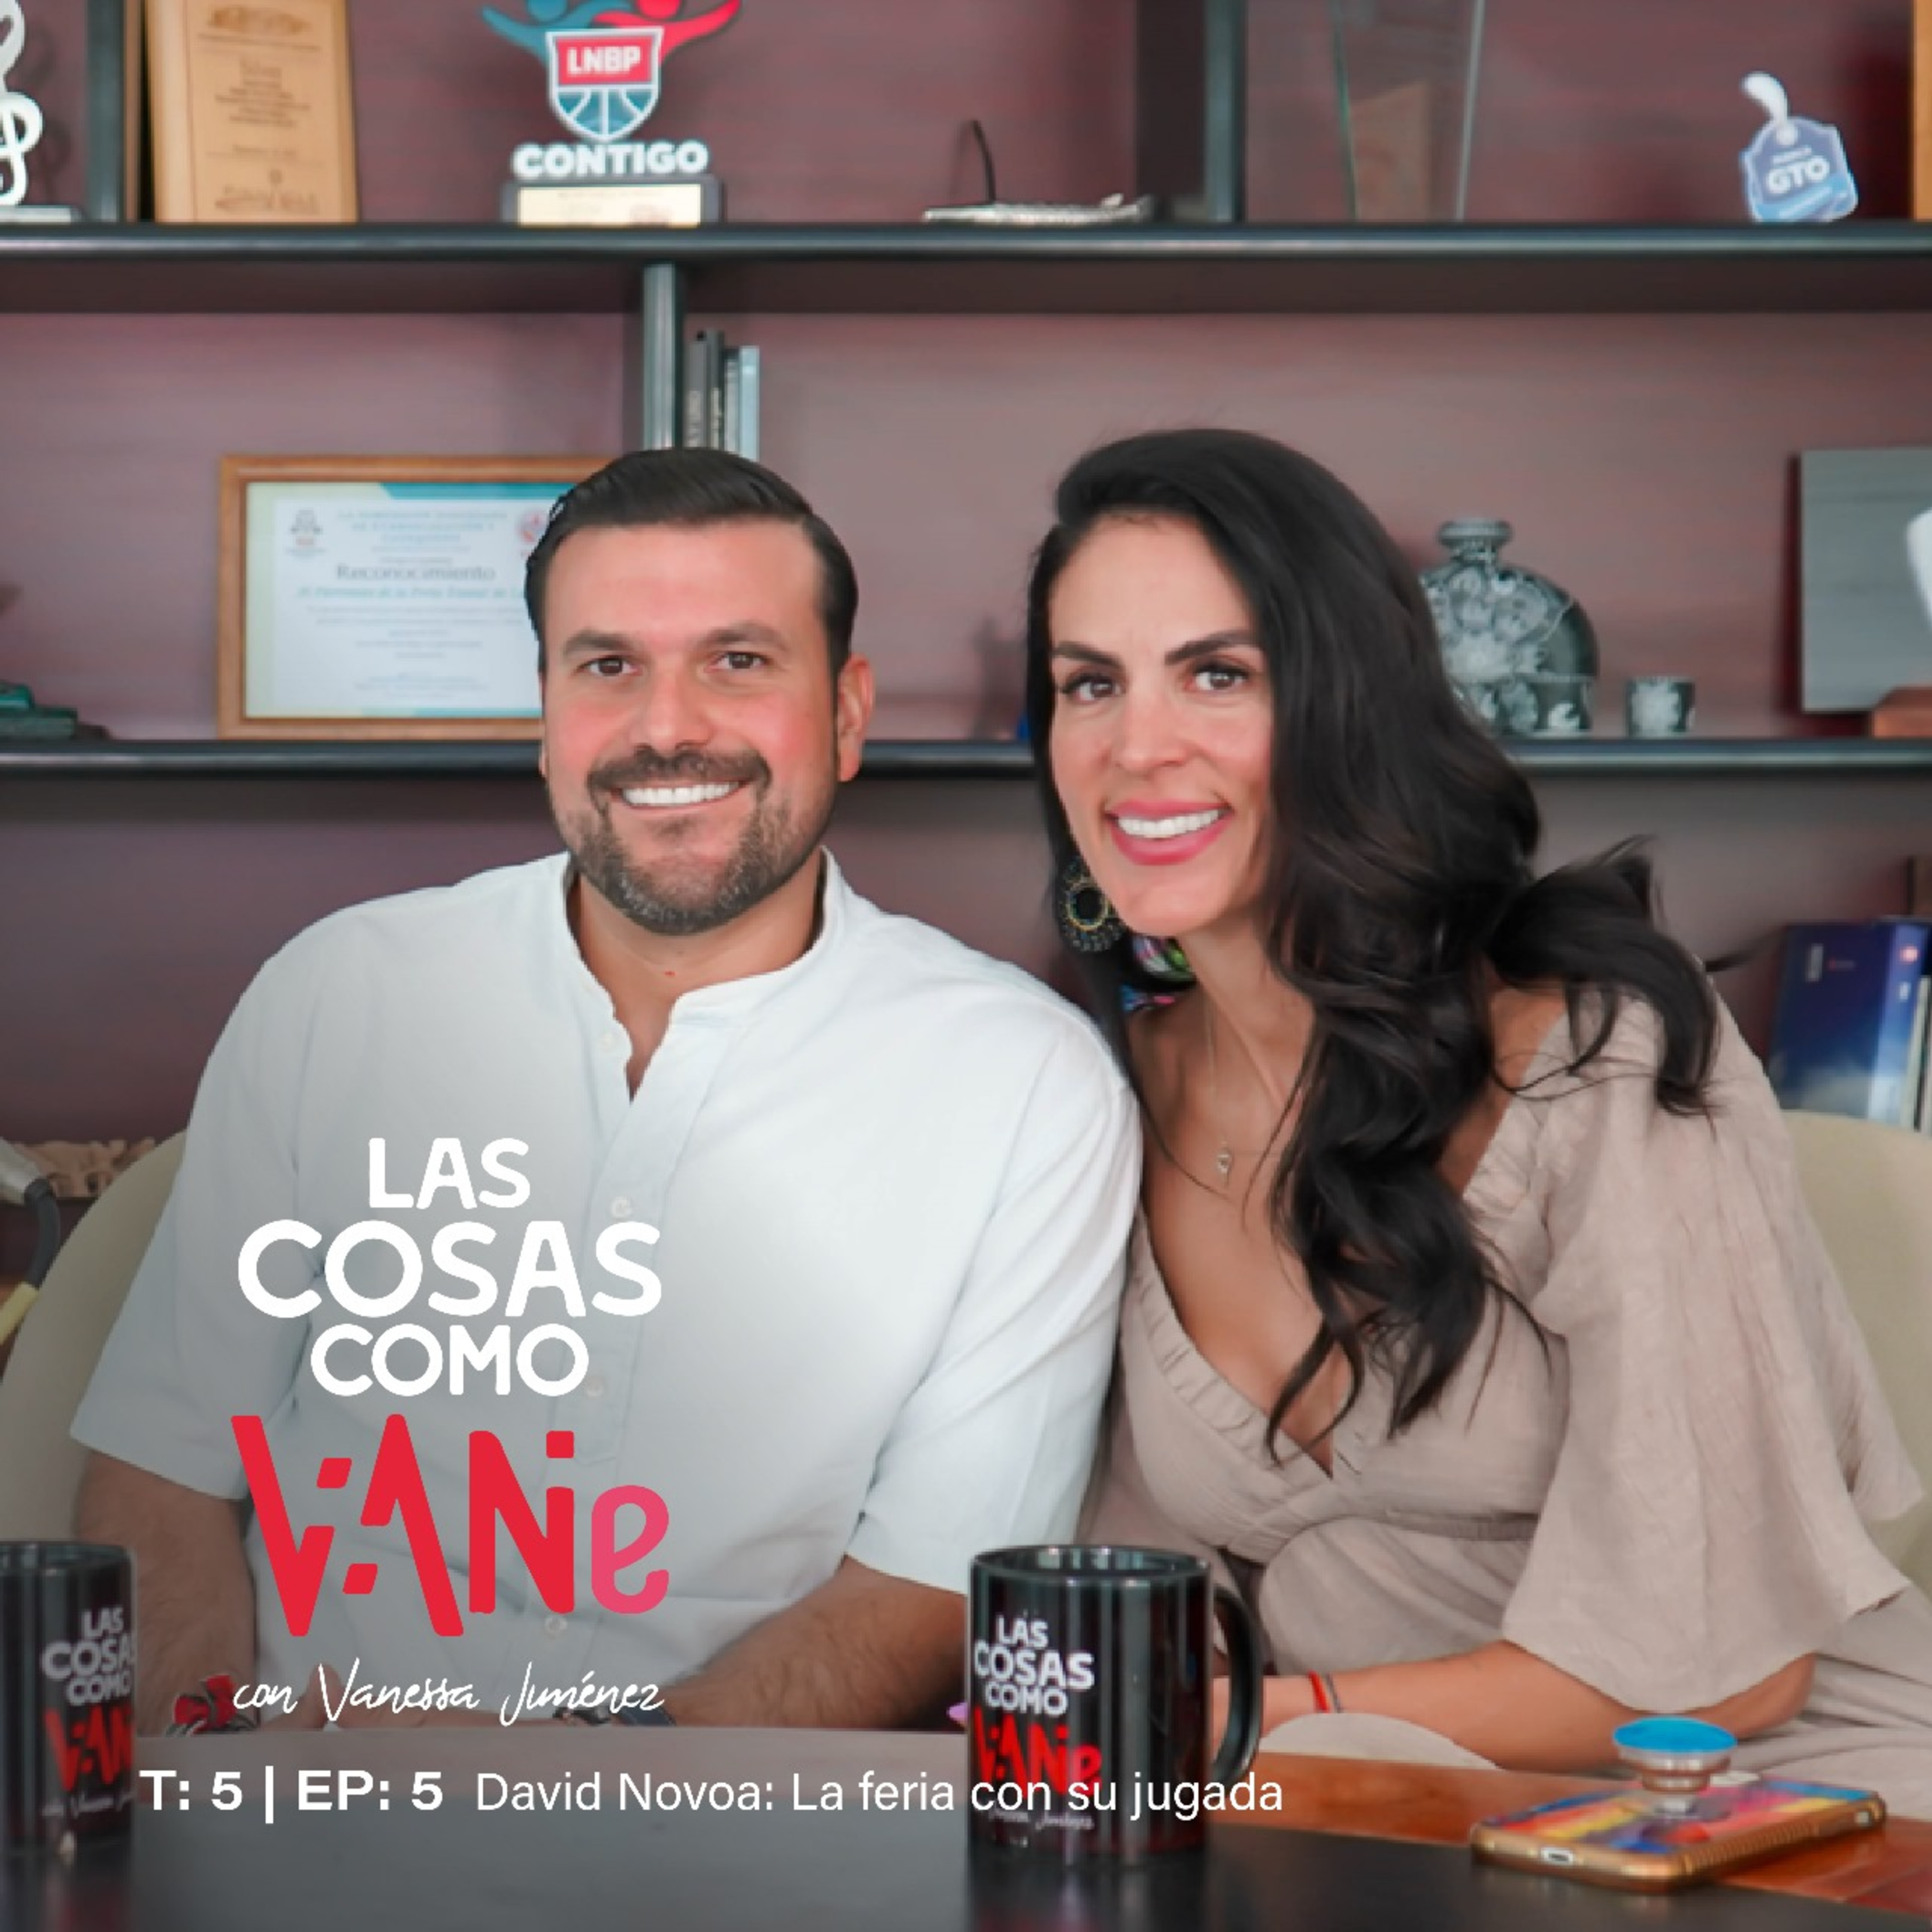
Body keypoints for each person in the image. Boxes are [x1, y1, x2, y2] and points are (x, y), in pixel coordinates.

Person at [75, 449, 1137, 1734]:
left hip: (726, 1822)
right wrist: (217, 1771)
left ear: (849, 715)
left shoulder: (1026, 1086)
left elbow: (931, 1590)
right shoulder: (338, 995)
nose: (667, 727)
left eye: (737, 660)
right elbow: (166, 1467)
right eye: (608, 666)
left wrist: (585, 1780)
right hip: (310, 1793)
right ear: (546, 715)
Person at [1023, 425, 1932, 1811]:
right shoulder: (1112, 1094)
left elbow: (1732, 1678)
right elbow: (1153, 1607)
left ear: (1352, 709)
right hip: (1390, 1815)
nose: (1137, 746)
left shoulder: (1595, 1053)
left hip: (1788, 1806)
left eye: (1219, 674)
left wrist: (1258, 1722)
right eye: (1091, 683)